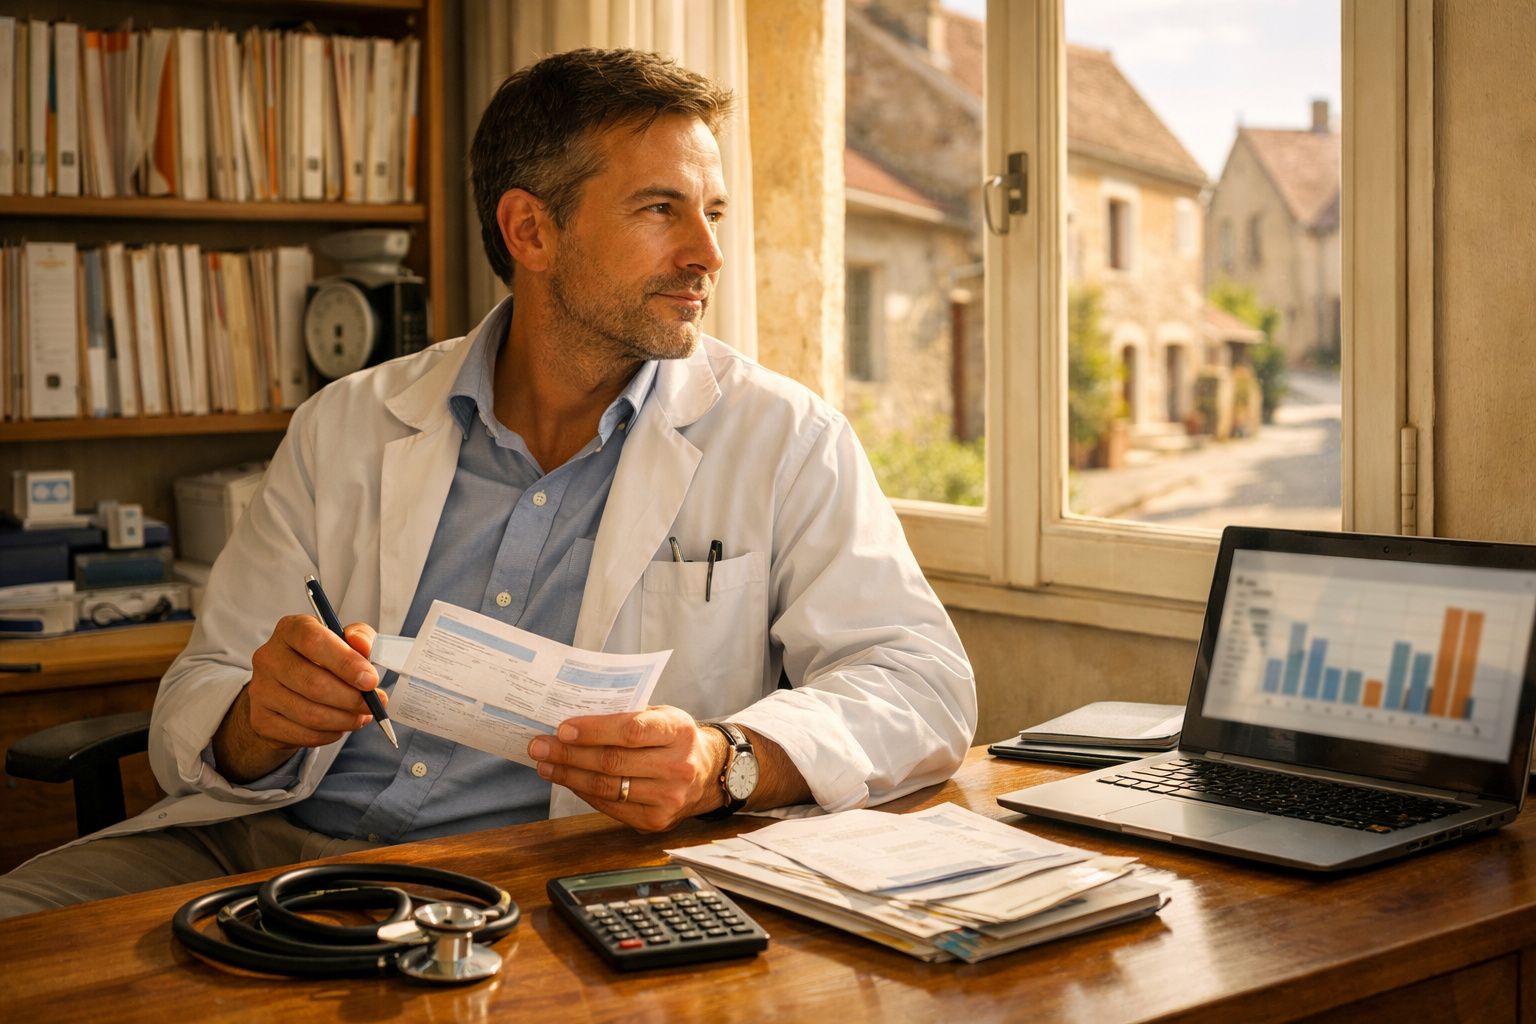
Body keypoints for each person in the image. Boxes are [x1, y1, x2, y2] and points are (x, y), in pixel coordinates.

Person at [0, 48, 975, 918]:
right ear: (530, 230)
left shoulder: (785, 437)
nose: (708, 254)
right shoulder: (345, 424)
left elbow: (920, 687)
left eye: (711, 212)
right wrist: (258, 720)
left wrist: (728, 759)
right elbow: (194, 709)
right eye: (660, 209)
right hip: (255, 851)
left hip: (532, 876)